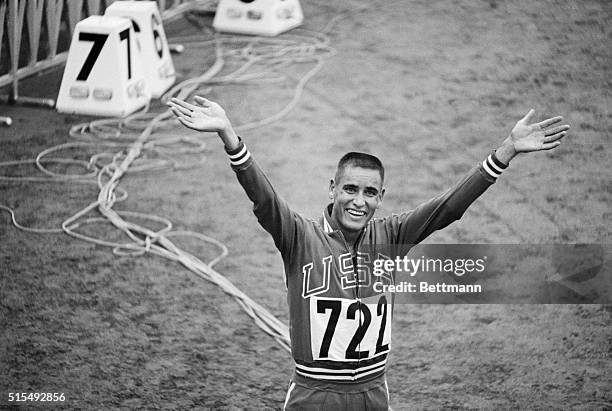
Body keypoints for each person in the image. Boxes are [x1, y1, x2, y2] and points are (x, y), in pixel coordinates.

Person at [167, 96, 569, 410]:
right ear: (333, 189)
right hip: (314, 395)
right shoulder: (299, 236)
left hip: (373, 394)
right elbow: (264, 198)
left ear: (381, 198)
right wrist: (229, 135)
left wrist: (506, 151)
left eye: (370, 192)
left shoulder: (392, 235)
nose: (359, 201)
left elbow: (449, 207)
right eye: (350, 189)